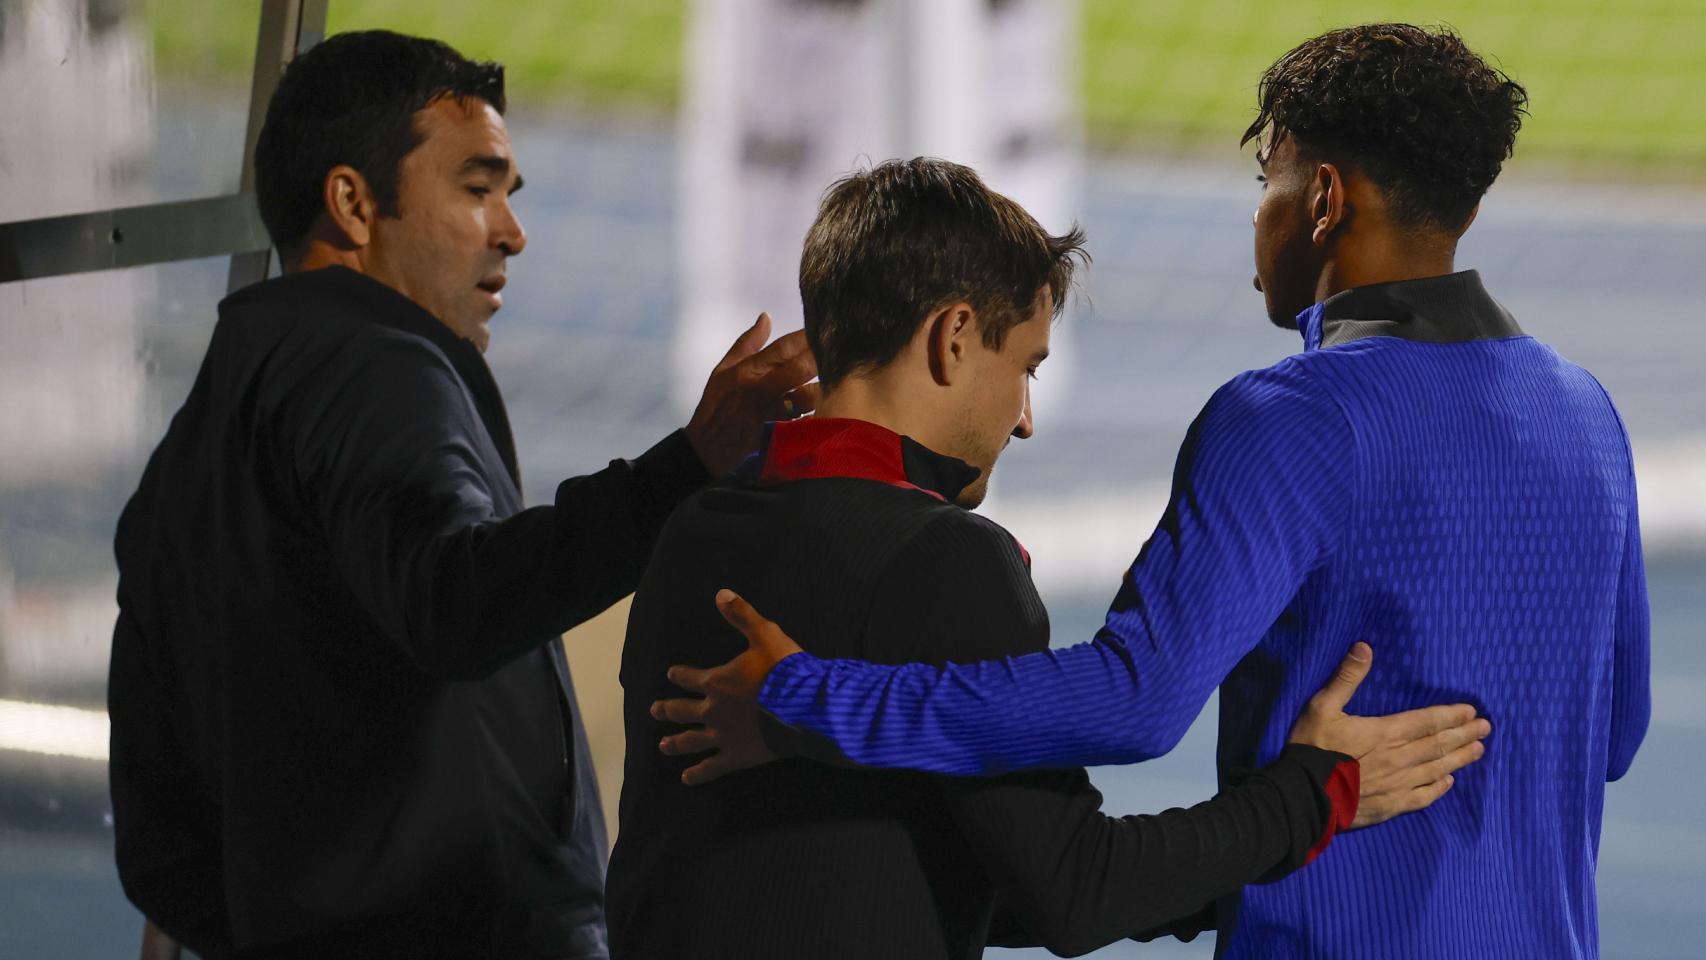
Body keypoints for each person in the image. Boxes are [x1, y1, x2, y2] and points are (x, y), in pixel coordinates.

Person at [655, 24, 1650, 959]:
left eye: (1269, 181)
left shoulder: (1289, 417)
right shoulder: (1585, 413)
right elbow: (1612, 732)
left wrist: (806, 700)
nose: (1258, 215)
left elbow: (1135, 700)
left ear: (1324, 200)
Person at [613, 158, 1488, 959]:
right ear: (954, 337)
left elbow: (960, 879)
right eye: (1023, 365)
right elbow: (1078, 890)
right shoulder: (948, 561)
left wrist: (1242, 864)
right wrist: (1315, 795)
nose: (1023, 418)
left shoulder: (691, 529)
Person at [105, 31, 816, 960]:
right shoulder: (369, 361)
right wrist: (691, 461)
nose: (512, 232)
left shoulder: (206, 431)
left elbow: (159, 830)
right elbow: (459, 597)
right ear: (353, 204)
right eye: (476, 189)